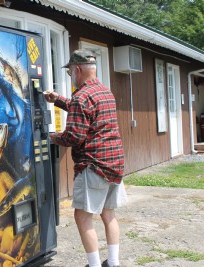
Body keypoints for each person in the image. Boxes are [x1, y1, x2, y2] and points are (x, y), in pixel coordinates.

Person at [44, 49, 127, 267]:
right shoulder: (105, 92)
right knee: (109, 214)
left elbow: (74, 136)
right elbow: (85, 109)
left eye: (70, 71)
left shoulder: (81, 97)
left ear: (78, 70)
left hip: (94, 166)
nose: (70, 75)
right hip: (115, 164)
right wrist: (58, 100)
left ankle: (94, 264)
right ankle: (114, 263)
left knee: (82, 217)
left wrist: (51, 138)